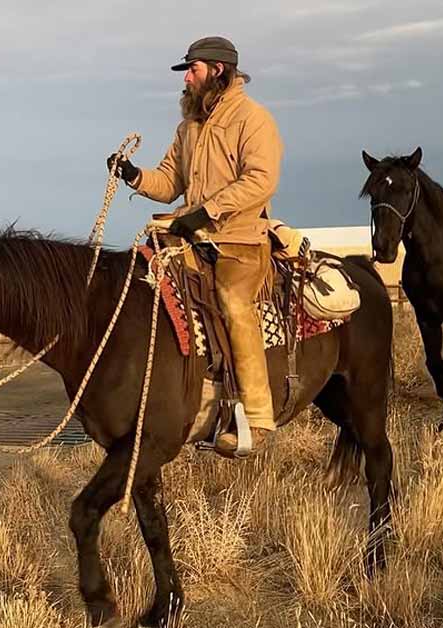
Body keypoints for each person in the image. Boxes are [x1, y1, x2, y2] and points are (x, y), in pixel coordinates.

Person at [107, 35, 284, 457]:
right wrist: (132, 175)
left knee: (233, 302)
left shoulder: (253, 120)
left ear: (218, 71)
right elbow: (169, 183)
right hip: (190, 237)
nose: (186, 78)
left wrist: (207, 213)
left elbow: (261, 179)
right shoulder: (189, 127)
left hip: (239, 240)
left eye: (193, 69)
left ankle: (258, 417)